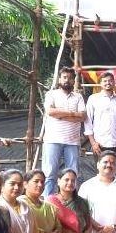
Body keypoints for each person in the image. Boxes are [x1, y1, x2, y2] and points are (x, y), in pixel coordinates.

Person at [42, 66, 86, 197]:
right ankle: (48, 201)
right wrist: (73, 114)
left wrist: (61, 115)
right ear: (59, 79)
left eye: (70, 78)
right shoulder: (51, 94)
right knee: (50, 173)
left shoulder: (78, 97)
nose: (67, 80)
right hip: (52, 140)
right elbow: (50, 112)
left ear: (74, 80)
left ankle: (71, 201)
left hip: (72, 141)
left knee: (73, 173)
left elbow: (82, 116)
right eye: (64, 77)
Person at [85, 71, 116, 171]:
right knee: (101, 172)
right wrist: (93, 143)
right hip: (99, 144)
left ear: (114, 82)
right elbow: (88, 122)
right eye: (105, 81)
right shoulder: (93, 99)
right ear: (100, 83)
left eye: (110, 80)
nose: (108, 83)